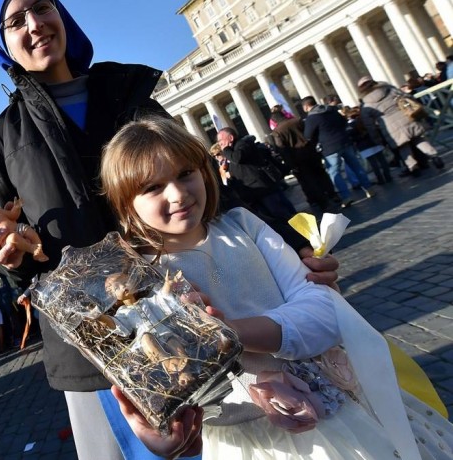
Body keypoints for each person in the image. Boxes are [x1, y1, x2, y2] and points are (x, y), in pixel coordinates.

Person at [0, 0, 338, 459]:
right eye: (16, 21)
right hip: (95, 346)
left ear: (61, 14)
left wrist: (292, 256)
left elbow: (207, 187)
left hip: (194, 307)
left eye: (42, 8)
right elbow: (5, 241)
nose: (35, 24)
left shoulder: (129, 91)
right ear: (3, 43)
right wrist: (11, 259)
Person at [99, 116, 453, 460]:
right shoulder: (135, 281)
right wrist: (166, 437)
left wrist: (227, 333)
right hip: (245, 440)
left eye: (184, 174)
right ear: (125, 202)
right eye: (152, 187)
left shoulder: (244, 225)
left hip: (338, 408)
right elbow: (165, 383)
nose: (177, 194)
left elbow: (323, 310)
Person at [357, 75, 444, 177]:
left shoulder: (366, 104)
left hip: (390, 127)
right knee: (419, 139)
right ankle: (434, 156)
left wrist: (376, 137)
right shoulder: (389, 89)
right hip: (407, 117)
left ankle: (413, 167)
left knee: (403, 147)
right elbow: (409, 97)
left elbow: (369, 123)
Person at [301, 95, 373, 208]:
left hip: (329, 148)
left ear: (306, 107)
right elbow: (343, 123)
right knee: (356, 166)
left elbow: (307, 135)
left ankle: (346, 197)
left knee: (335, 173)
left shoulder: (312, 118)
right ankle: (369, 188)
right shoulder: (331, 110)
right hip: (344, 141)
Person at [216, 127, 296, 222]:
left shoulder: (243, 144)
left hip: (263, 188)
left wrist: (226, 149)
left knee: (281, 213)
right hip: (251, 192)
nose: (220, 143)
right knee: (270, 218)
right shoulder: (231, 150)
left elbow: (238, 158)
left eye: (221, 140)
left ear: (231, 138)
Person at [269, 112, 338, 212]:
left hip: (297, 159)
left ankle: (323, 203)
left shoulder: (277, 132)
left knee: (310, 181)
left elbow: (283, 149)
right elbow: (310, 134)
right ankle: (333, 194)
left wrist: (290, 164)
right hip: (311, 152)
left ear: (275, 121)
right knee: (321, 174)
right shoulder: (298, 121)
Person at [344, 106, 392, 185]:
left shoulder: (350, 126)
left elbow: (352, 137)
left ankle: (380, 180)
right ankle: (388, 176)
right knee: (382, 160)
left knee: (374, 165)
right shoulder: (365, 120)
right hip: (374, 142)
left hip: (364, 146)